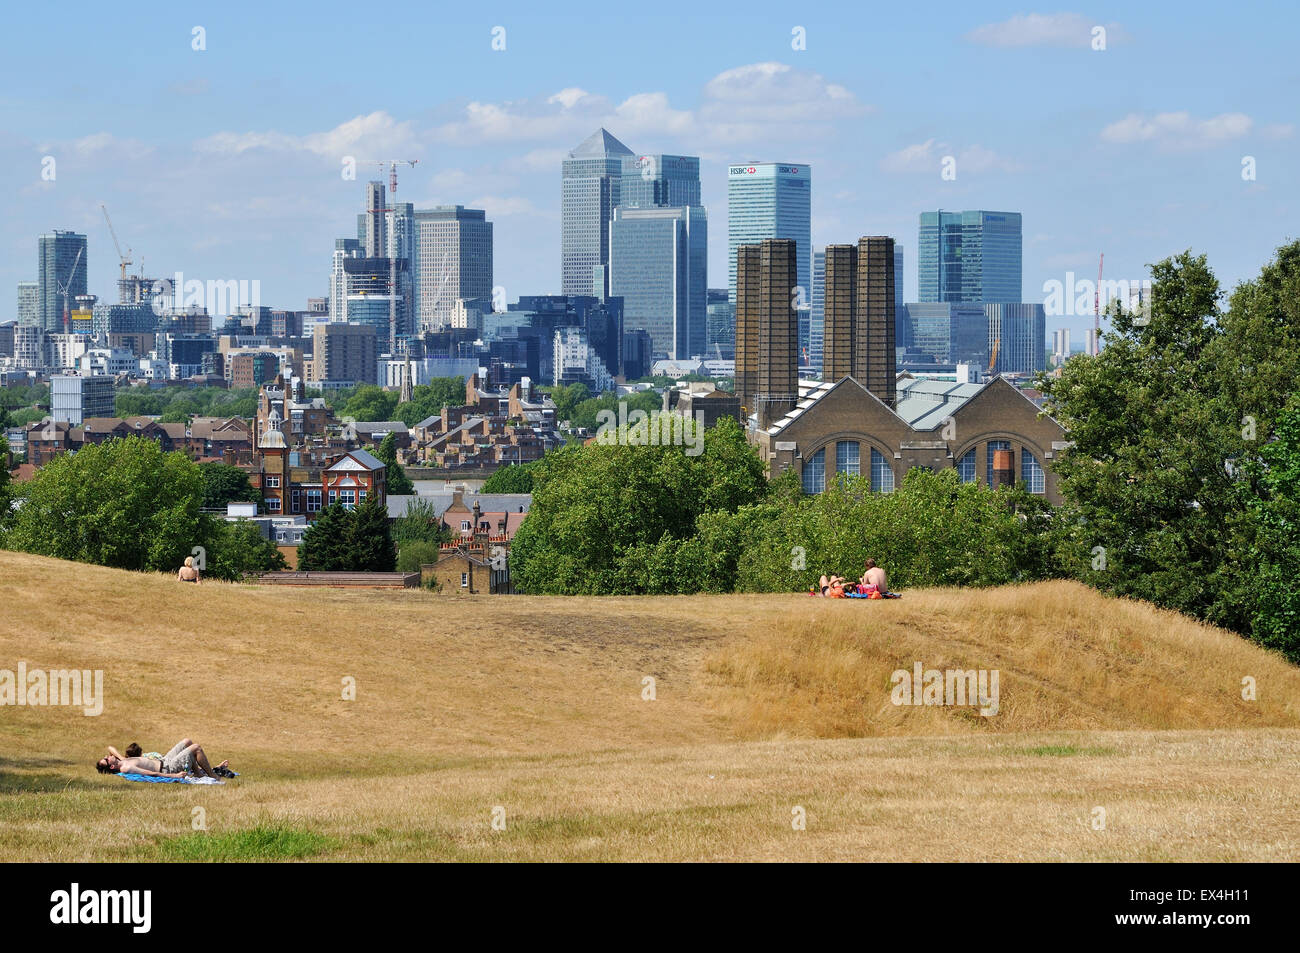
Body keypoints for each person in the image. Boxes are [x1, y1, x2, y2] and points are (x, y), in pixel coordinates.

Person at [97, 739, 229, 779]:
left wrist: (111, 759)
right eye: (106, 759)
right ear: (112, 766)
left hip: (165, 760)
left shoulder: (121, 760)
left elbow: (110, 747)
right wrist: (174, 775)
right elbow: (151, 774)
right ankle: (212, 775)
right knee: (196, 748)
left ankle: (199, 773)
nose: (107, 756)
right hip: (167, 768)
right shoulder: (125, 767)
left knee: (187, 742)